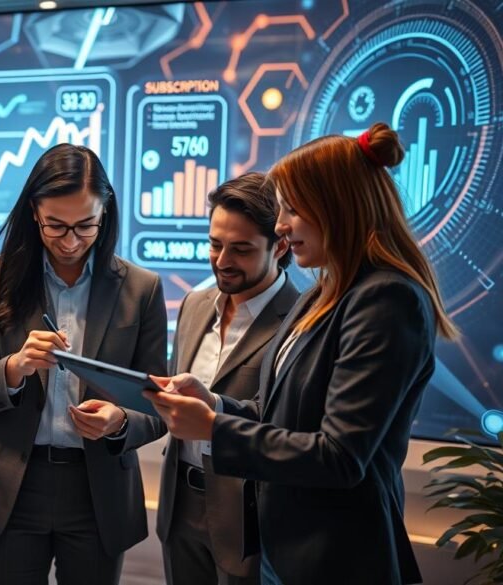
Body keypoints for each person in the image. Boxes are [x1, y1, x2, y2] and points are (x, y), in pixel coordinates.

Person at [144, 122, 457, 585]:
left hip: (335, 556)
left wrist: (214, 428)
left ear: (336, 208)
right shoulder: (325, 293)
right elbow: (282, 415)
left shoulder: (387, 299)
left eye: (292, 209)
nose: (282, 225)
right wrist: (215, 405)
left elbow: (340, 456)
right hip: (284, 549)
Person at [0, 143, 167, 585]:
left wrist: (120, 422)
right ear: (34, 212)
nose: (70, 241)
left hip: (98, 490)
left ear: (104, 213)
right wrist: (14, 367)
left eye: (85, 226)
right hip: (13, 483)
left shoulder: (142, 289)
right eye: (56, 226)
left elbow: (157, 407)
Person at [155, 173, 297, 585]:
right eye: (215, 244)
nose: (221, 260)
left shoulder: (302, 320)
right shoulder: (195, 304)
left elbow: (288, 427)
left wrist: (216, 414)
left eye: (241, 250)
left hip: (250, 517)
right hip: (179, 502)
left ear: (281, 245)